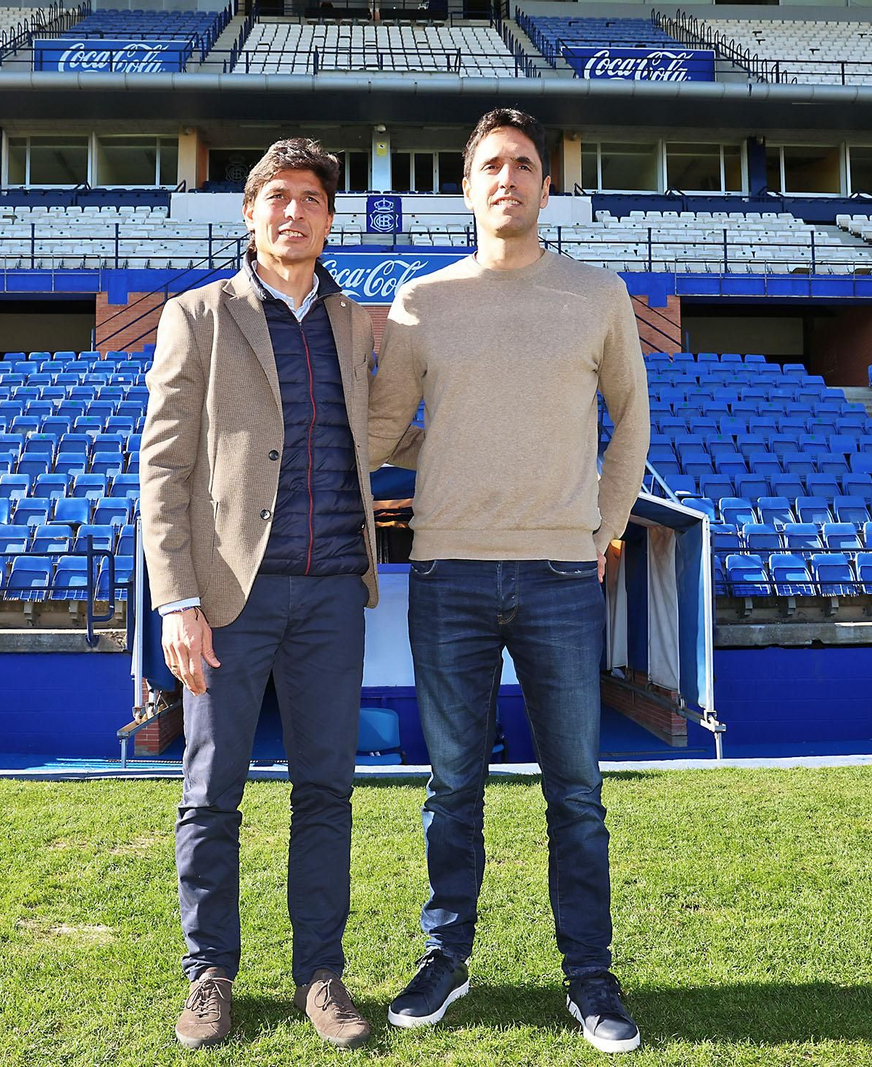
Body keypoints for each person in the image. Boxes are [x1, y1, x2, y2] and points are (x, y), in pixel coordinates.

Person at [368, 107, 651, 1054]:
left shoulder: (597, 293)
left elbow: (632, 423)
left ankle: (591, 977)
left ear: (544, 185)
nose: (508, 178)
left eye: (523, 164)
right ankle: (446, 958)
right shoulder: (421, 302)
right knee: (454, 786)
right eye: (491, 165)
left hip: (561, 576)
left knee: (575, 788)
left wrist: (601, 531)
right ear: (467, 185)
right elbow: (381, 430)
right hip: (448, 571)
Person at [137, 138, 418, 1051]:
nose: (293, 211)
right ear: (250, 213)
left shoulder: (350, 319)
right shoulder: (196, 314)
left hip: (333, 588)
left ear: (330, 218)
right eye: (276, 196)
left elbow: (367, 435)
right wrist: (176, 600)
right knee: (212, 788)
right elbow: (164, 467)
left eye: (310, 198)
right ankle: (208, 973)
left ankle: (320, 974)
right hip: (229, 596)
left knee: (325, 790)